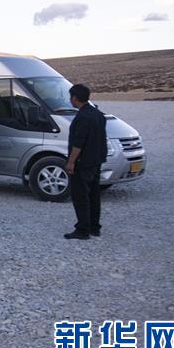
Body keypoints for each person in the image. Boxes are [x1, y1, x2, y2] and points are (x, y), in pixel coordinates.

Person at [64, 84, 108, 240]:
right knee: (94, 195)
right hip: (96, 160)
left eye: (71, 97)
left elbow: (79, 142)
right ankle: (94, 227)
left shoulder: (83, 117)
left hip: (83, 162)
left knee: (80, 196)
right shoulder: (98, 114)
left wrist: (71, 162)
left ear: (75, 98)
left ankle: (82, 229)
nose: (70, 100)